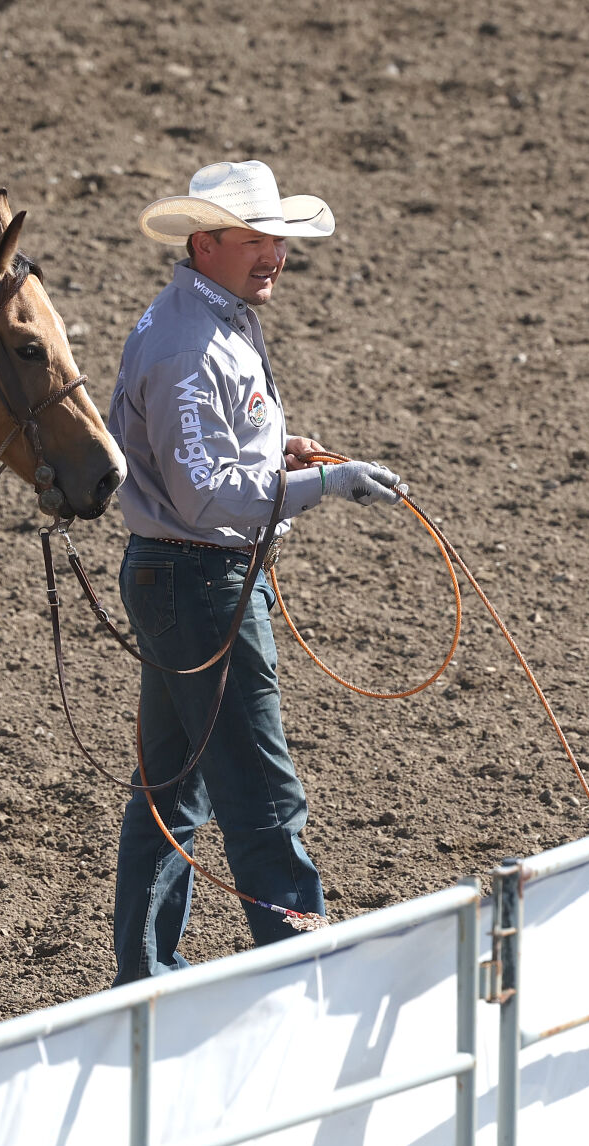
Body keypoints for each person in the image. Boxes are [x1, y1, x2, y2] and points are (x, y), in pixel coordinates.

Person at [105, 160, 407, 982]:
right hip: (203, 582)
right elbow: (205, 497)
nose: (273, 253)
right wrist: (325, 480)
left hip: (181, 578)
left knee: (171, 789)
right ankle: (297, 976)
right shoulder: (190, 344)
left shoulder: (202, 319)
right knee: (262, 797)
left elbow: (203, 459)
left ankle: (142, 980)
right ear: (204, 243)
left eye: (278, 239)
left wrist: (279, 449)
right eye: (256, 239)